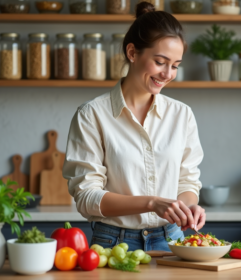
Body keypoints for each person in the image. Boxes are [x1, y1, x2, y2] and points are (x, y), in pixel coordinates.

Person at [62, 2, 205, 252]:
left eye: (175, 65)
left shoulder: (182, 115)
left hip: (173, 241)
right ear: (132, 52)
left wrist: (186, 206)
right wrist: (152, 203)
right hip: (113, 243)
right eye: (160, 61)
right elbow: (86, 197)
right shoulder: (92, 115)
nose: (168, 74)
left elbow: (187, 182)